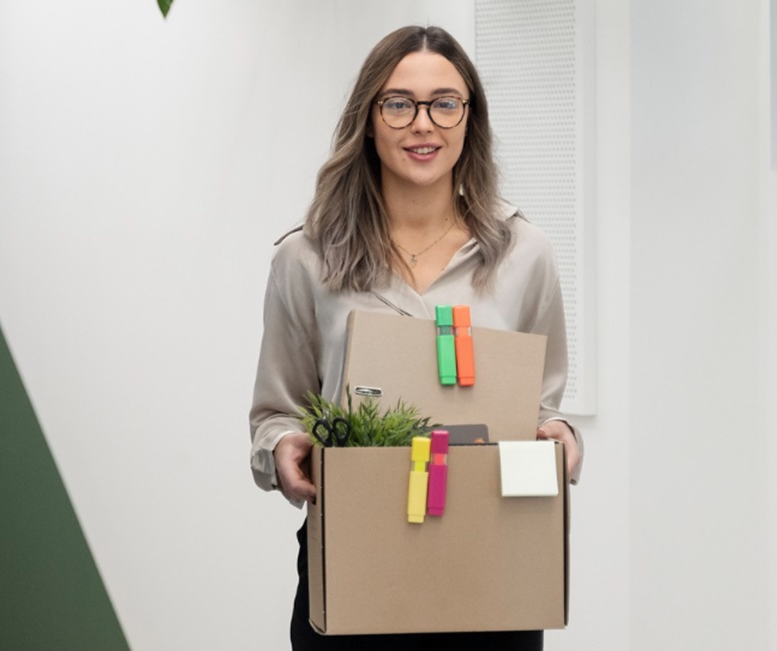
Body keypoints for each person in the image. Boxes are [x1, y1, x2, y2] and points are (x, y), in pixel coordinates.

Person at [248, 25, 583, 650]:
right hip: (355, 561)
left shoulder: (524, 254)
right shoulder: (306, 259)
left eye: (445, 103)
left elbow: (544, 409)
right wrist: (284, 450)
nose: (422, 124)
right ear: (368, 120)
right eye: (398, 103)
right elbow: (276, 412)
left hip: (494, 568)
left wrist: (560, 440)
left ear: (469, 120)